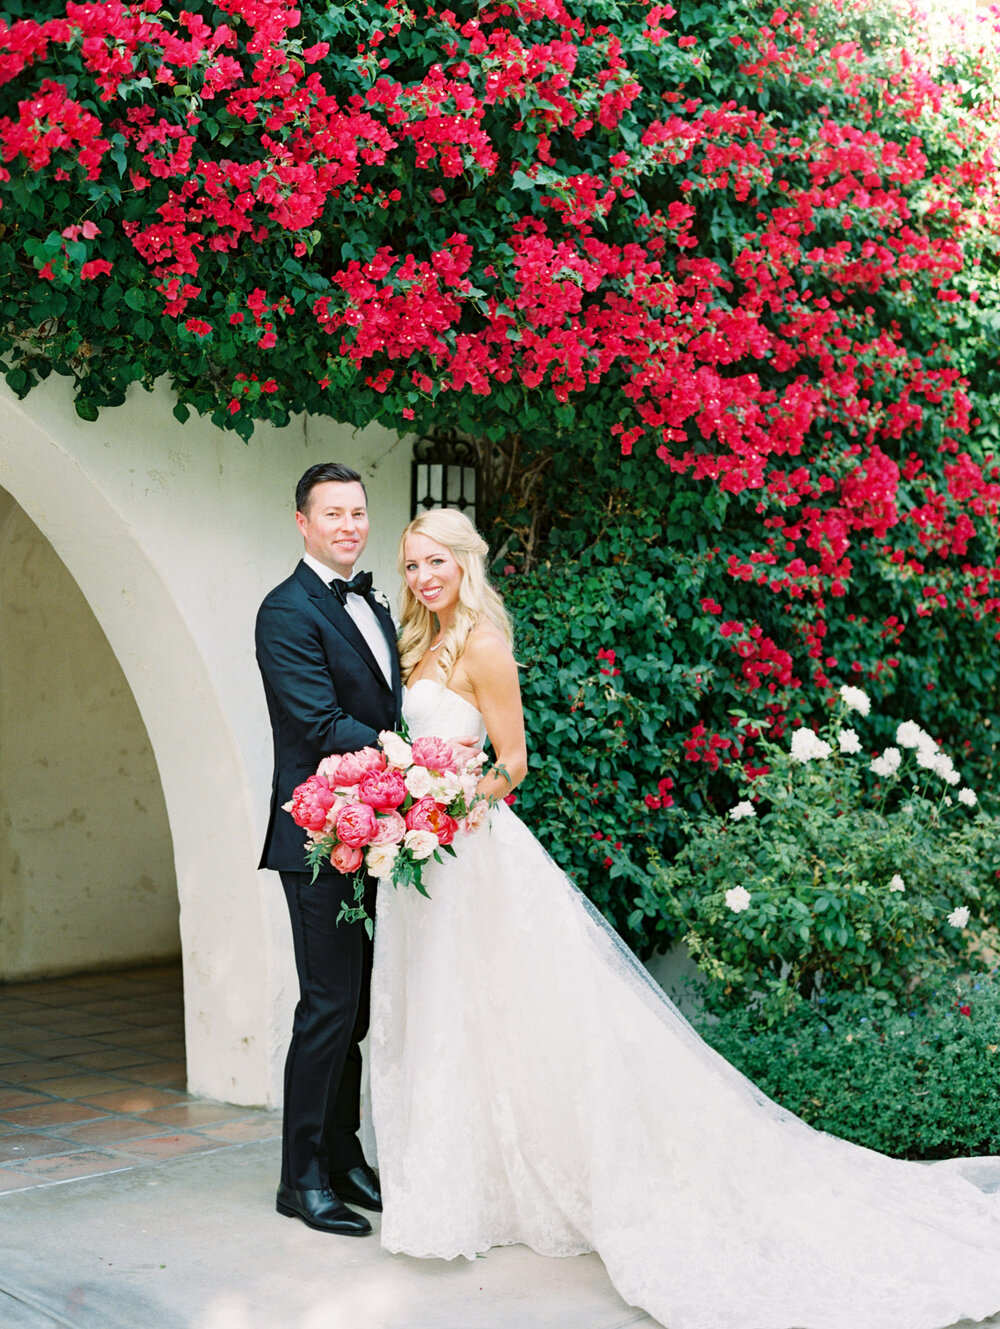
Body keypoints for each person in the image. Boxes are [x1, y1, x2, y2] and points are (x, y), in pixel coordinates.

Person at [369, 507, 1000, 1329]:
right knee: (451, 1012)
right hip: (423, 863)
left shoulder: (484, 643)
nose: (422, 578)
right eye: (412, 565)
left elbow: (513, 764)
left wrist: (445, 798)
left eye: (434, 563)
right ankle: (464, 1181)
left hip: (470, 850)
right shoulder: (413, 644)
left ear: (463, 564)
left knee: (505, 1010)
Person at [255, 461, 402, 1237]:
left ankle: (344, 1156)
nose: (348, 525)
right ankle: (299, 1177)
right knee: (326, 1006)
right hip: (316, 838)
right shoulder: (285, 610)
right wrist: (408, 752)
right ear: (302, 522)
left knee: (359, 1009)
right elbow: (318, 725)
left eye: (357, 511)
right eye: (332, 513)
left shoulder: (372, 600)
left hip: (374, 834)